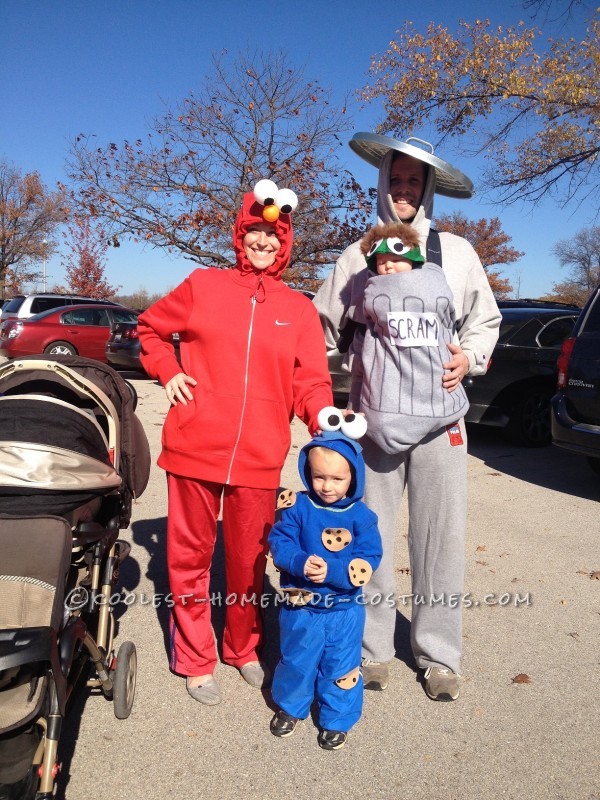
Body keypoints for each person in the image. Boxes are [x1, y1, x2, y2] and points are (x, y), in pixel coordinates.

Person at [313, 135, 501, 701]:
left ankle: (439, 656)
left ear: (428, 190)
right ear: (383, 183)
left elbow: (485, 322)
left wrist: (469, 357)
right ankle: (371, 651)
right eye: (395, 180)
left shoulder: (459, 255)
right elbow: (322, 327)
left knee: (439, 540)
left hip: (442, 425)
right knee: (369, 538)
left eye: (414, 182)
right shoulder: (356, 255)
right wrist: (337, 389)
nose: (403, 190)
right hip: (374, 425)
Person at [138, 180, 333, 705]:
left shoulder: (298, 309)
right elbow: (149, 329)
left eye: (274, 235)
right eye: (255, 232)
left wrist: (323, 418)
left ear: (285, 242)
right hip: (194, 444)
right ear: (240, 235)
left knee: (249, 561)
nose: (264, 243)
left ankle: (242, 647)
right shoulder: (203, 285)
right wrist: (167, 370)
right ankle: (196, 657)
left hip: (260, 455)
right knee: (189, 557)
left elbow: (309, 381)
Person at [268, 411, 382, 750]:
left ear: (354, 477)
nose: (326, 486)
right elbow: (280, 542)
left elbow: (369, 558)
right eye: (318, 477)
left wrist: (332, 572)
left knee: (341, 666)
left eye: (336, 479)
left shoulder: (362, 517)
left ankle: (336, 719)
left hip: (344, 610)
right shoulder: (296, 507)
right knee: (296, 659)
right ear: (307, 472)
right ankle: (291, 707)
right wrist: (300, 563)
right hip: (300, 605)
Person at [350, 220, 470, 452]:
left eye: (395, 261)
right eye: (381, 263)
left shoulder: (450, 260)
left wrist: (471, 357)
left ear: (414, 260)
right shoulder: (370, 283)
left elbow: (469, 318)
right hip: (383, 402)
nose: (388, 268)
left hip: (441, 399)